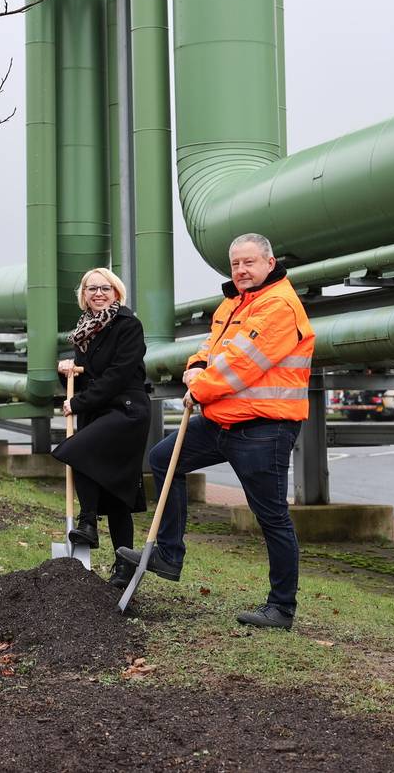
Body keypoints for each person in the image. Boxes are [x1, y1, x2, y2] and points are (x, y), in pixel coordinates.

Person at [117, 233, 314, 629]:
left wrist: (199, 385)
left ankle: (281, 608)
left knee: (271, 516)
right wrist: (195, 366)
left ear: (269, 262)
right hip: (223, 419)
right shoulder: (234, 303)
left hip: (264, 427)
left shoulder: (278, 306)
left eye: (249, 263)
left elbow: (241, 364)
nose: (241, 270)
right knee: (162, 460)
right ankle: (169, 554)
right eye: (236, 264)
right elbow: (212, 348)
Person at [50, 267, 150, 589]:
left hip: (126, 412)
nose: (98, 293)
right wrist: (66, 371)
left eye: (105, 288)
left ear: (116, 292)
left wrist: (77, 404)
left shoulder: (128, 325)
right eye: (91, 289)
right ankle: (124, 569)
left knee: (75, 450)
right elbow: (86, 377)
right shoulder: (84, 331)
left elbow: (118, 375)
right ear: (83, 295)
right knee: (116, 493)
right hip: (97, 413)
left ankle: (88, 522)